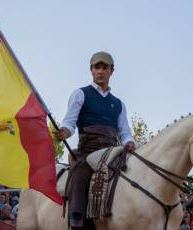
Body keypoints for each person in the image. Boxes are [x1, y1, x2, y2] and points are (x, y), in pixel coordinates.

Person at [55, 51, 136, 230]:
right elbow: (69, 122)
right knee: (80, 170)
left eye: (104, 67)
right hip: (87, 150)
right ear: (91, 70)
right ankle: (76, 218)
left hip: (111, 151)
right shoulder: (81, 94)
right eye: (96, 67)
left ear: (111, 71)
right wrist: (64, 131)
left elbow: (124, 132)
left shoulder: (119, 104)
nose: (100, 71)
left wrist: (130, 142)